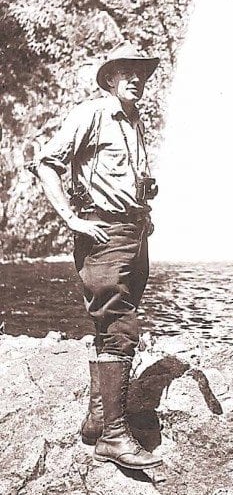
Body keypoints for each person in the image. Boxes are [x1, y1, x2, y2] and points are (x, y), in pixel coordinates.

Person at [33, 42, 162, 470]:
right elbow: (48, 163)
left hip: (132, 231)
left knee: (109, 323)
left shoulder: (134, 118)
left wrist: (144, 217)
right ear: (109, 78)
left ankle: (96, 419)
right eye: (127, 71)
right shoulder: (91, 113)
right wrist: (71, 217)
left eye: (142, 72)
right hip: (103, 229)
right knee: (120, 325)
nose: (137, 78)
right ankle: (113, 436)